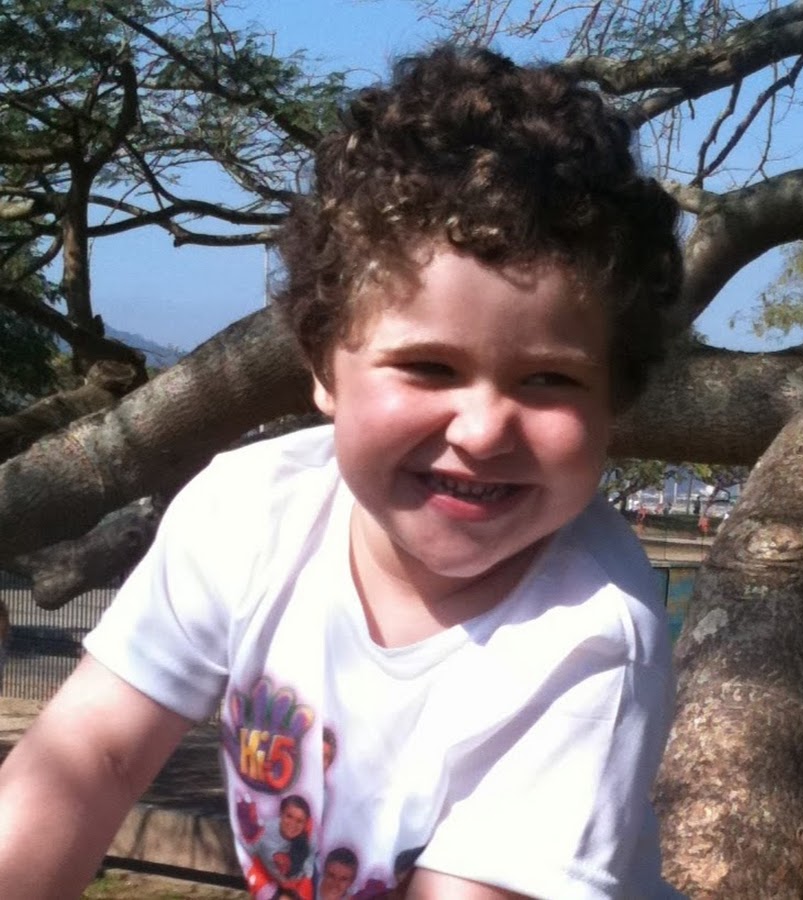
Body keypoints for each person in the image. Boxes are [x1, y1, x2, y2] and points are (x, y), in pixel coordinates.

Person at [0, 46, 683, 899]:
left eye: (550, 379)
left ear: (615, 399)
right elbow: (86, 758)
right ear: (324, 367)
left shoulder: (588, 642)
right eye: (429, 367)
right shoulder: (248, 512)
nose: (482, 431)